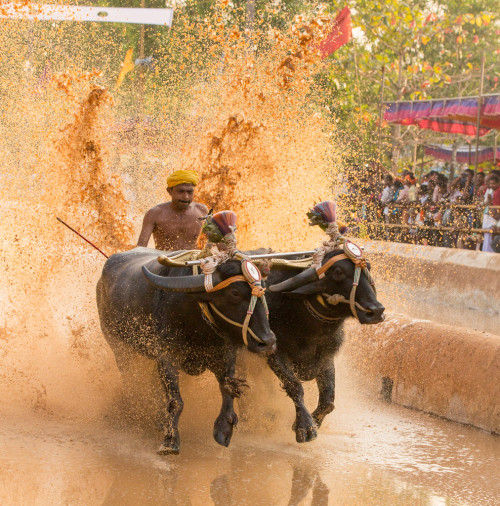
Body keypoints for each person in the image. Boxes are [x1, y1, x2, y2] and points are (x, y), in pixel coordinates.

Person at [137, 169, 209, 250]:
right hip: (164, 261)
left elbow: (214, 241)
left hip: (192, 261)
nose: (186, 197)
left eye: (190, 192)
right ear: (170, 191)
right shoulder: (154, 214)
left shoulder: (202, 210)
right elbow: (140, 249)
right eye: (181, 191)